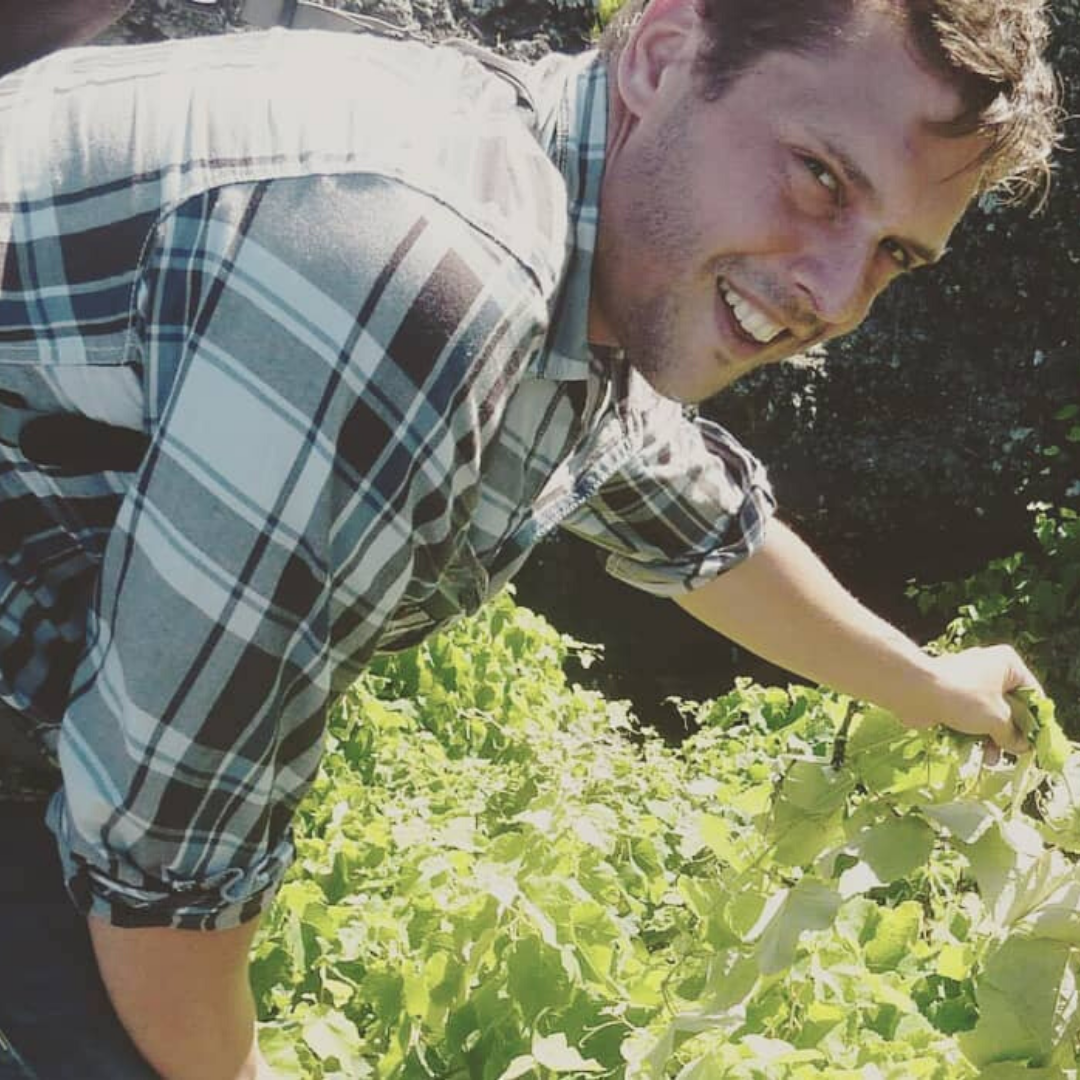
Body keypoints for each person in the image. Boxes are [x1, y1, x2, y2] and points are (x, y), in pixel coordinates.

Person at [0, 0, 1059, 1077]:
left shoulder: (561, 205)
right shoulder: (417, 273)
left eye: (892, 254)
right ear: (663, 55)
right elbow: (162, 857)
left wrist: (926, 685)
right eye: (822, 176)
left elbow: (692, 516)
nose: (831, 296)